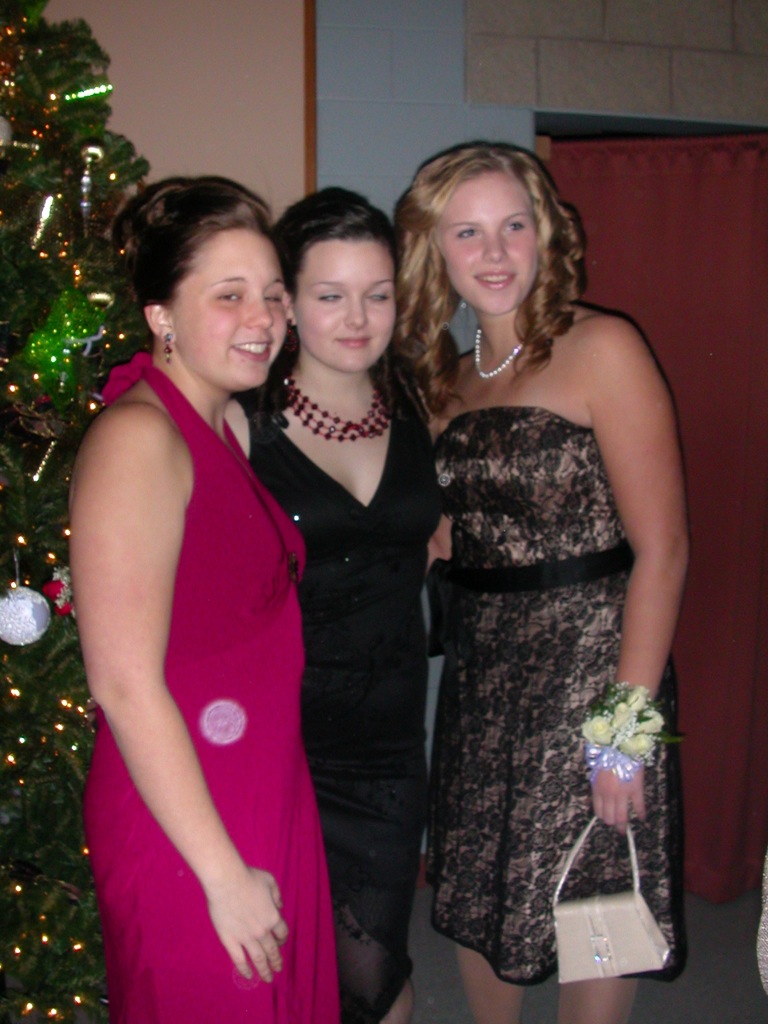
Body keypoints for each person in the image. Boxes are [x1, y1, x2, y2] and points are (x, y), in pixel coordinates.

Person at [394, 142, 688, 1024]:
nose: (493, 252)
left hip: (596, 674)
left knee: (598, 888)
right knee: (484, 878)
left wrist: (624, 733)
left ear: (544, 233)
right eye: (468, 232)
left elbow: (664, 549)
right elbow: (445, 538)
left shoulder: (603, 347)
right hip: (486, 683)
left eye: (513, 226)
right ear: (434, 252)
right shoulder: (442, 382)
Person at [69, 176, 339, 1023]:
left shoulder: (224, 421)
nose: (262, 320)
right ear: (161, 314)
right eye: (228, 296)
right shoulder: (138, 439)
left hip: (258, 779)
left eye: (271, 295)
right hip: (187, 817)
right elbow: (121, 682)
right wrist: (221, 874)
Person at [227, 187, 442, 1024]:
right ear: (288, 302)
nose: (358, 317)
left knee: (372, 967)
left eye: (377, 293)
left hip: (388, 748)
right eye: (329, 294)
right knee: (284, 968)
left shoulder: (421, 405)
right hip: (277, 743)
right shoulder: (241, 423)